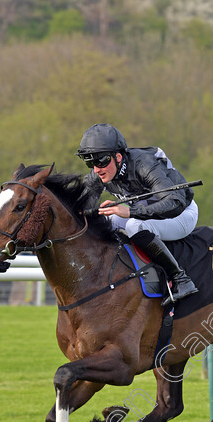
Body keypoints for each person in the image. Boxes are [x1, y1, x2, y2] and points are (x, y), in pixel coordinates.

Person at [75, 123, 198, 306]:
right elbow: (81, 207)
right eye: (90, 163)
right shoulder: (99, 174)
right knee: (104, 220)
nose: (96, 169)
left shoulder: (144, 164)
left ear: (118, 156)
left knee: (134, 225)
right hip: (148, 216)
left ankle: (181, 279)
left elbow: (175, 203)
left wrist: (130, 211)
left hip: (181, 215)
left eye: (101, 161)